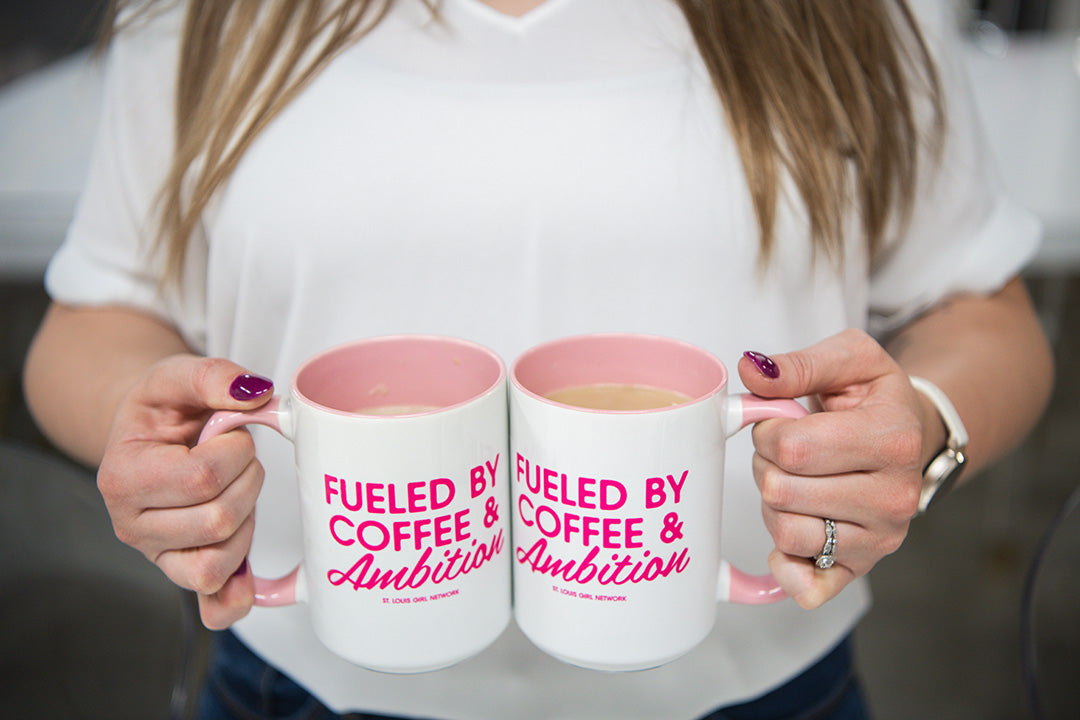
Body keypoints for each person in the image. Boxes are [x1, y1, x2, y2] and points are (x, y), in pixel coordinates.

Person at [23, 0, 1054, 718]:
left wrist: (925, 425)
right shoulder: (197, 17)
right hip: (297, 693)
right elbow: (99, 315)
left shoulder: (854, 12)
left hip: (766, 692)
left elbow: (983, 310)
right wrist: (143, 424)